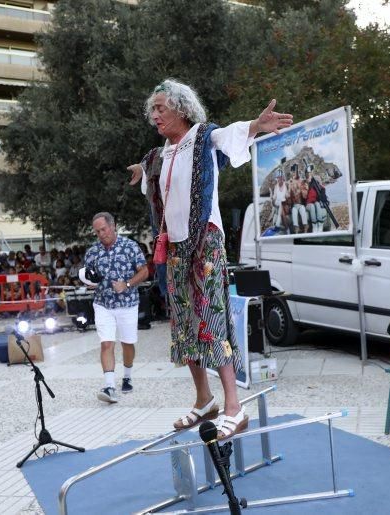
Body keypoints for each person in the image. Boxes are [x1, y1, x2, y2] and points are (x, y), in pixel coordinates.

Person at [128, 78, 292, 439]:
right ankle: (204, 399)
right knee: (184, 325)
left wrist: (255, 126)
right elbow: (153, 174)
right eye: (152, 109)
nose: (154, 115)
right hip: (173, 249)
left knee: (212, 320)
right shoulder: (160, 154)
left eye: (160, 108)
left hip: (206, 242)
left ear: (181, 109)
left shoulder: (203, 137)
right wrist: (142, 170)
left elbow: (229, 135)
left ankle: (235, 406)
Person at [83, 212, 149, 404]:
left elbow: (144, 271)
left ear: (113, 226)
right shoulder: (92, 252)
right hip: (103, 304)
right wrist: (90, 282)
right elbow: (89, 275)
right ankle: (110, 386)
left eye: (103, 229)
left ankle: (127, 375)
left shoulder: (130, 247)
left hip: (128, 304)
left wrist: (127, 284)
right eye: (97, 232)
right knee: (106, 343)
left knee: (127, 343)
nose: (101, 234)